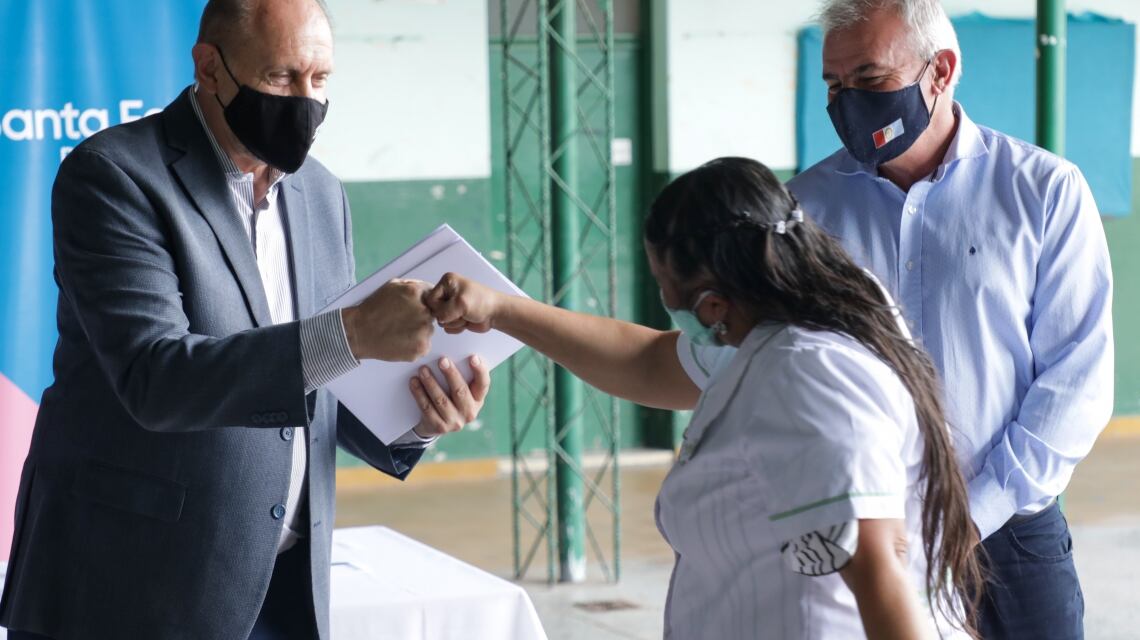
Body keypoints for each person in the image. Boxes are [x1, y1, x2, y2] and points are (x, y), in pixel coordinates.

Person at [0, 1, 490, 639]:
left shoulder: (321, 193)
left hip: (284, 587)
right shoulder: (114, 176)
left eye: (320, 81)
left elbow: (317, 379)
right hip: (128, 584)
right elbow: (157, 377)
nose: (305, 101)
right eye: (281, 78)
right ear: (209, 67)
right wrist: (354, 332)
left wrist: (414, 418)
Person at [427, 156, 982, 639]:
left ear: (713, 305)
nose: (663, 298)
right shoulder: (777, 320)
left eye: (662, 283)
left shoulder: (811, 371)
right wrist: (499, 309)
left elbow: (877, 565)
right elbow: (646, 363)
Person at [788, 1, 1115, 637]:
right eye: (834, 85)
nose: (848, 102)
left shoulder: (1043, 191)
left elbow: (1077, 380)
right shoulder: (807, 208)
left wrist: (971, 513)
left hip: (1012, 536)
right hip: (867, 531)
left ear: (940, 70)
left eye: (871, 80)